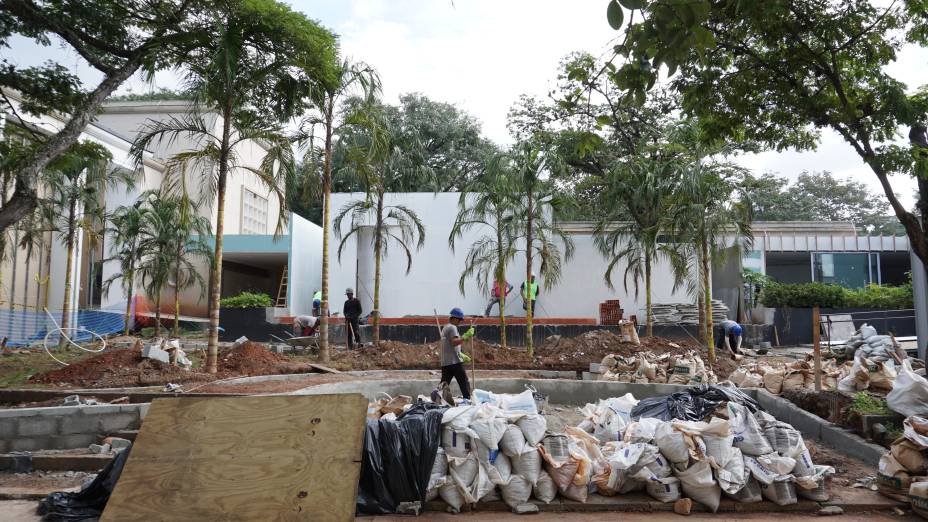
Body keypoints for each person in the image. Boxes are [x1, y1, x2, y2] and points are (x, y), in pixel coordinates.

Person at [440, 307, 474, 400]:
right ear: (454, 318)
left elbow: (449, 345)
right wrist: (465, 336)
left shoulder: (445, 327)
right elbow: (454, 342)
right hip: (454, 362)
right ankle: (467, 400)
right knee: (464, 381)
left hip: (446, 362)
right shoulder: (452, 327)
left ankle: (439, 399)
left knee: (444, 384)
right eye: (459, 320)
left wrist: (460, 354)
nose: (460, 322)